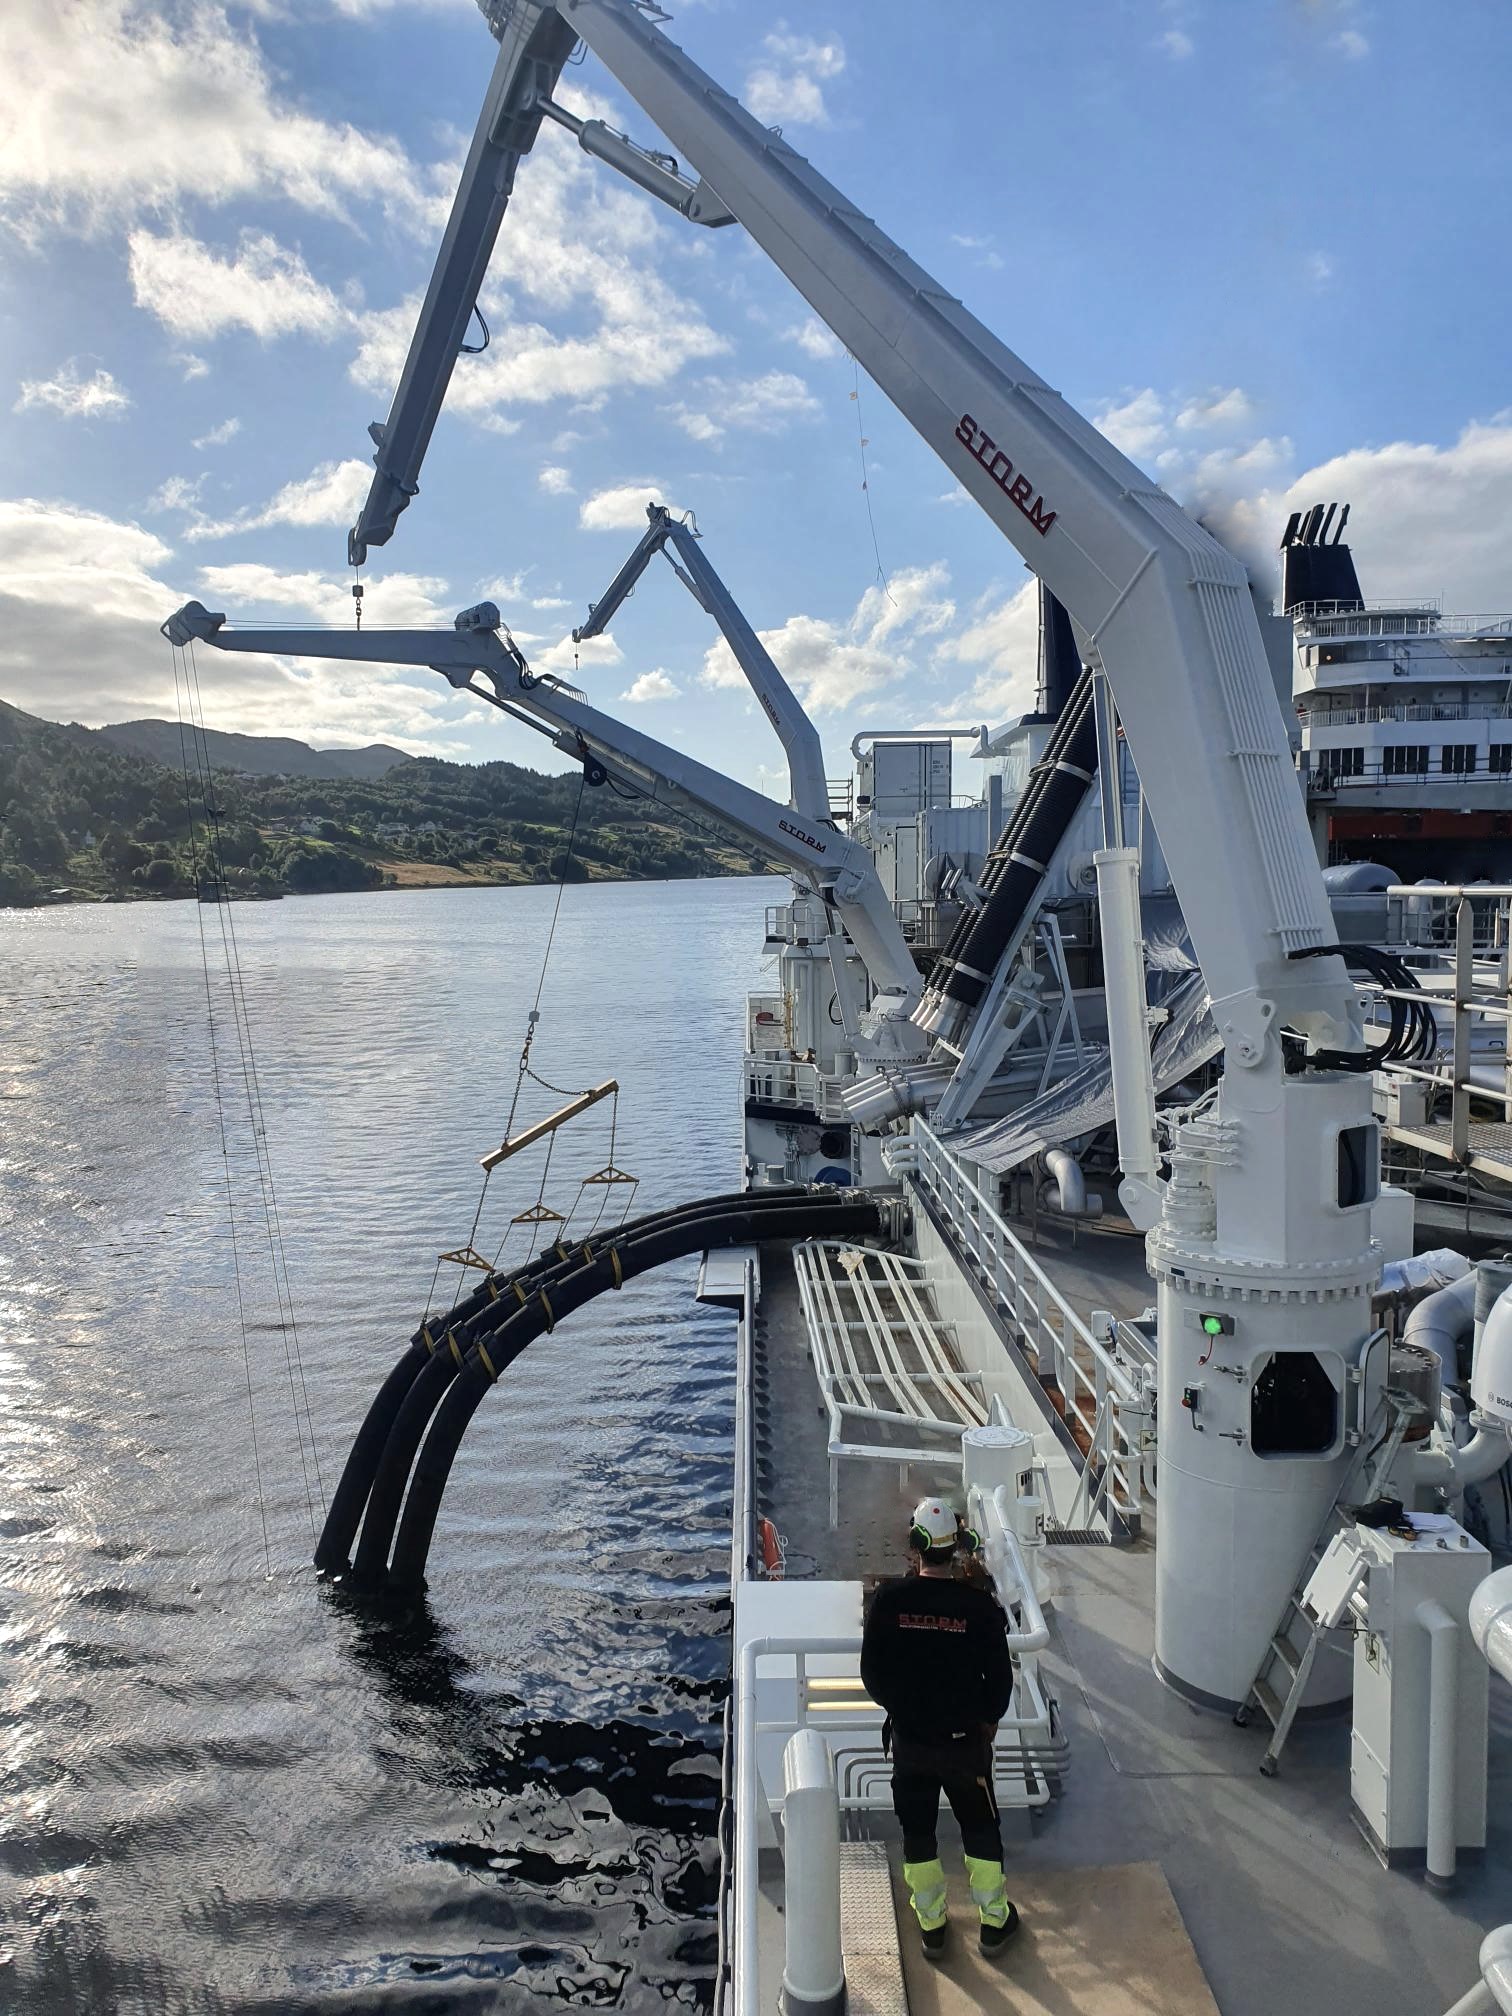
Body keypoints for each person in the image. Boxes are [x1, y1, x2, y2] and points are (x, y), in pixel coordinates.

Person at [859, 1496, 1020, 1962]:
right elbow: (1001, 1679)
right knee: (981, 1828)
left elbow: (873, 1676)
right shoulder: (980, 1607)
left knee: (918, 1831)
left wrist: (905, 1711)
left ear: (916, 1546)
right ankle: (994, 1921)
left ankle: (931, 1925)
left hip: (911, 1744)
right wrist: (986, 1723)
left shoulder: (890, 1602)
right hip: (965, 1745)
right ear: (955, 1549)